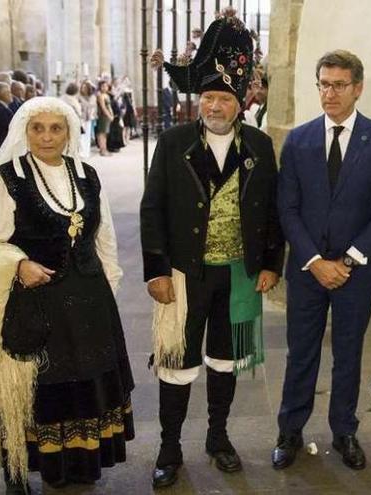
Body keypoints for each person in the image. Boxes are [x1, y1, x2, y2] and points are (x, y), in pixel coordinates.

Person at [140, 10, 284, 489]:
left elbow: (273, 212)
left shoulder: (261, 146)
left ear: (241, 101)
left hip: (240, 274)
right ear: (198, 101)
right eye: (208, 97)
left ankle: (218, 438)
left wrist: (271, 265)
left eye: (224, 97)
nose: (215, 105)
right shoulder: (173, 142)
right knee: (177, 363)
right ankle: (169, 447)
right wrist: (156, 270)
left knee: (225, 359)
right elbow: (152, 207)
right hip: (185, 273)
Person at [0, 96, 134, 493]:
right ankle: (17, 471)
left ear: (69, 132)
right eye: (37, 128)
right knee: (30, 390)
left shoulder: (87, 175)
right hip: (31, 304)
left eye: (55, 128)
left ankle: (75, 465)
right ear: (24, 132)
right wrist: (19, 263)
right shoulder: (6, 179)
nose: (46, 137)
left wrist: (107, 287)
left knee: (81, 386)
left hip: (87, 304)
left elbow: (103, 235)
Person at [272, 49, 371, 471]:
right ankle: (289, 431)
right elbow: (287, 207)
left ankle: (344, 432)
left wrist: (347, 260)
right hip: (309, 269)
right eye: (323, 84)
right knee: (301, 352)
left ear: (357, 89)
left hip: (357, 270)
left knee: (348, 352)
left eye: (338, 85)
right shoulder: (299, 139)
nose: (329, 93)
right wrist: (314, 260)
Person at [78, 81, 97, 158]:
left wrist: (83, 104)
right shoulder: (79, 96)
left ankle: (86, 152)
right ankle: (81, 152)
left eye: (85, 88)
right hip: (81, 117)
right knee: (81, 135)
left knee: (87, 135)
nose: (83, 89)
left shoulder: (92, 97)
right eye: (82, 87)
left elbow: (92, 106)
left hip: (89, 117)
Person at [96, 80, 114, 155]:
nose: (105, 87)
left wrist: (112, 114)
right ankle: (102, 150)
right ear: (100, 87)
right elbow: (103, 107)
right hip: (103, 116)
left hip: (107, 116)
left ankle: (104, 148)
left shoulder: (107, 95)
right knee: (102, 133)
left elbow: (109, 106)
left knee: (105, 133)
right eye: (103, 86)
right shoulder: (100, 95)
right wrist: (109, 116)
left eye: (106, 86)